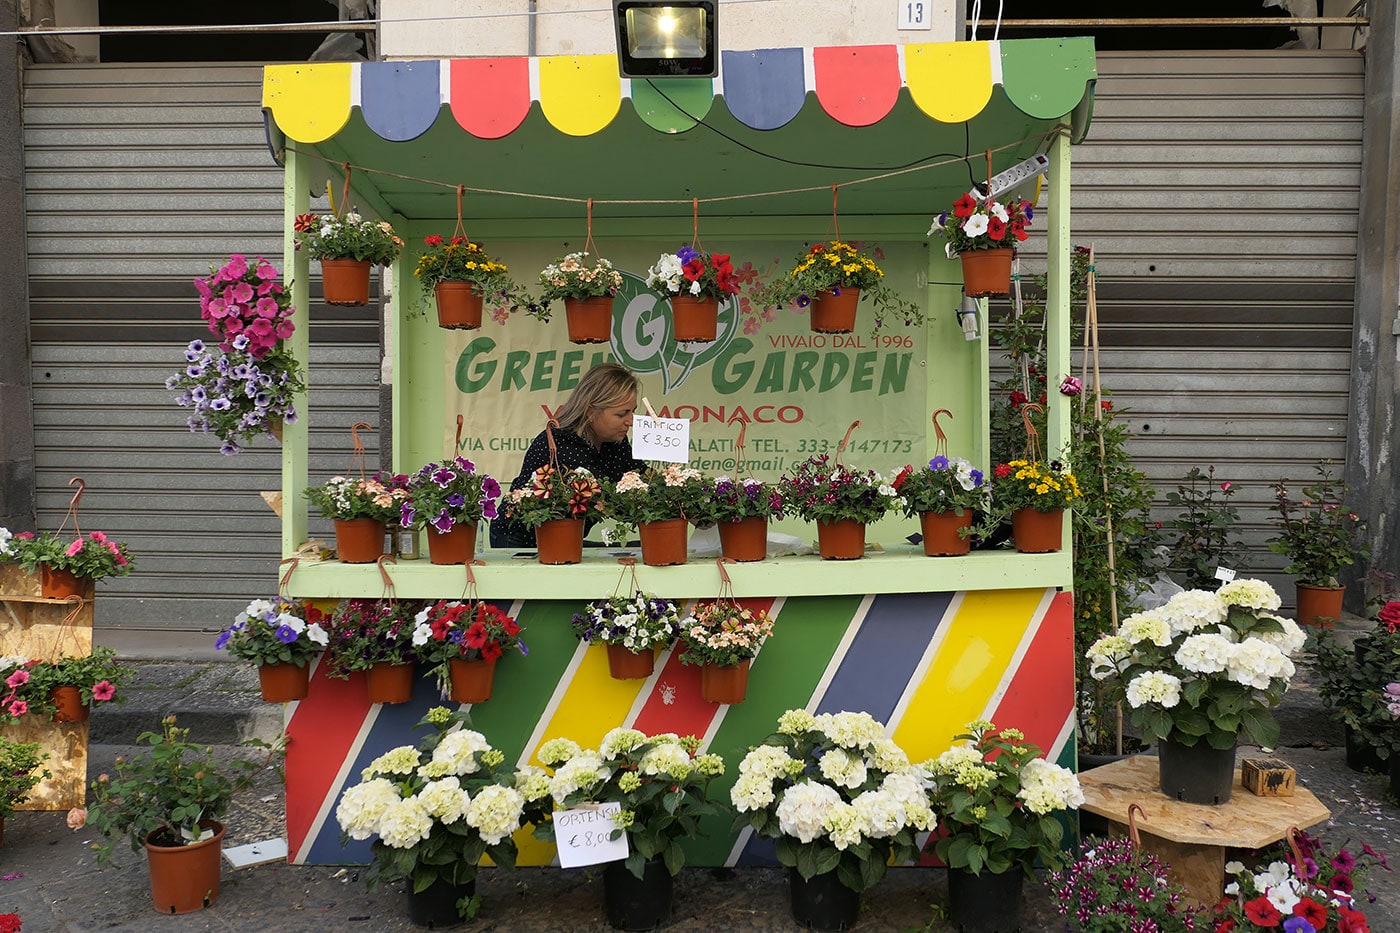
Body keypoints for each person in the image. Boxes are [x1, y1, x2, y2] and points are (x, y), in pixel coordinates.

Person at [489, 362, 647, 549]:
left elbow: (640, 475)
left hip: (561, 538)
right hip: (519, 540)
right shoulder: (562, 443)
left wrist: (675, 495)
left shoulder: (614, 442)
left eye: (633, 411)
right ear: (591, 410)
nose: (630, 421)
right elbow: (610, 498)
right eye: (622, 414)